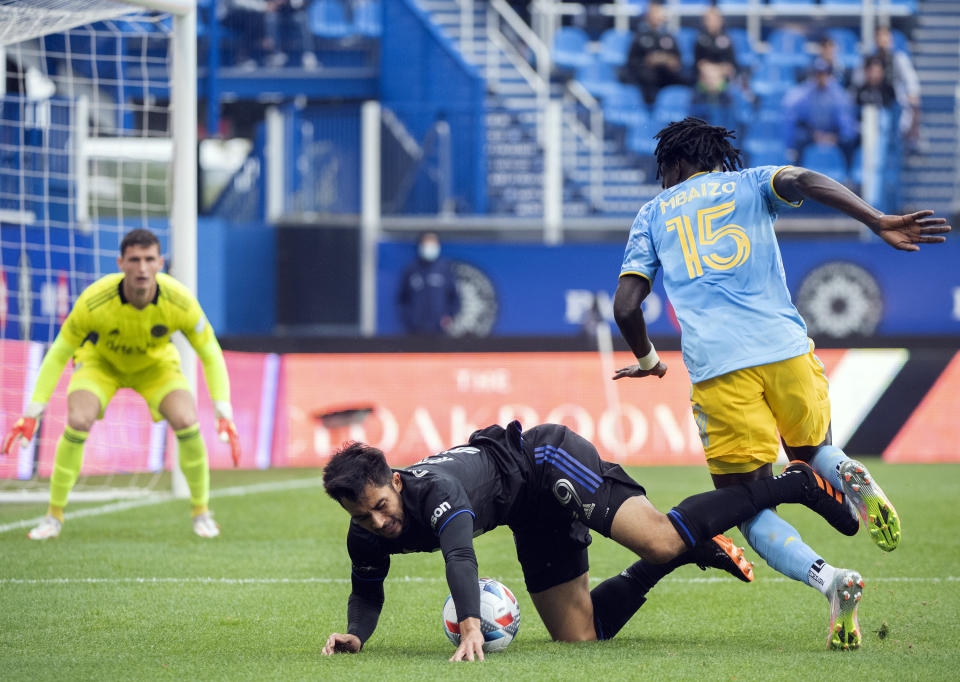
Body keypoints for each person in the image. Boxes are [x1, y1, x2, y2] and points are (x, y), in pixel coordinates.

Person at [611, 117, 950, 649]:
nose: (660, 181)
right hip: (786, 349)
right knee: (813, 449)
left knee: (747, 503)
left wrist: (650, 358)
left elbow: (626, 306)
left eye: (661, 170)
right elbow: (807, 181)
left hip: (718, 369)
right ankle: (845, 471)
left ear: (675, 164)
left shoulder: (653, 215)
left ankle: (830, 581)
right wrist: (874, 218)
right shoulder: (750, 181)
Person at [320, 419, 862, 660]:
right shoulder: (364, 530)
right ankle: (691, 549)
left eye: (382, 508)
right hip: (524, 511)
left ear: (395, 481)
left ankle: (791, 482)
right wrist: (356, 635)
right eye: (363, 517)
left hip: (546, 460)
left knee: (656, 538)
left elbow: (460, 555)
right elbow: (367, 590)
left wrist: (470, 627)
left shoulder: (432, 491)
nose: (378, 523)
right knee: (580, 637)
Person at [1, 229, 241, 540]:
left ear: (160, 262)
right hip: (101, 365)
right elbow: (60, 350)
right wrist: (33, 410)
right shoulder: (94, 300)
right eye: (134, 260)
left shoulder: (179, 301)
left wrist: (223, 407)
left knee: (187, 419)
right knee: (77, 419)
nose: (142, 268)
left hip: (155, 367)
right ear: (120, 263)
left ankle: (202, 513)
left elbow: (209, 350)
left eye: (149, 259)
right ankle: (53, 517)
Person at [783, 58, 858, 169]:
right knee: (799, 138)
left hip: (834, 136)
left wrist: (835, 137)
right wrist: (814, 135)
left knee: (849, 141)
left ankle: (848, 176)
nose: (821, 77)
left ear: (829, 75)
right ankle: (798, 175)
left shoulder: (838, 95)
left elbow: (846, 124)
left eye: (824, 73)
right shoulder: (804, 94)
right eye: (818, 74)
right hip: (812, 135)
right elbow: (795, 116)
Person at [620, 1, 686, 106]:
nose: (658, 15)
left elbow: (677, 60)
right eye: (655, 12)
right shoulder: (639, 36)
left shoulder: (669, 37)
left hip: (666, 76)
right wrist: (649, 60)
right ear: (648, 15)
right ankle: (648, 108)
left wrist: (667, 60)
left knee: (684, 79)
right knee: (647, 76)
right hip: (645, 79)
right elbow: (632, 62)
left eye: (660, 12)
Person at [396, 231, 461, 336]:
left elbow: (455, 298)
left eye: (433, 243)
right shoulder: (411, 269)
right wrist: (410, 319)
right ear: (420, 245)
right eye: (426, 243)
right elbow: (402, 299)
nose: (429, 247)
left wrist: (448, 316)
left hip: (440, 330)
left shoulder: (445, 269)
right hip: (415, 331)